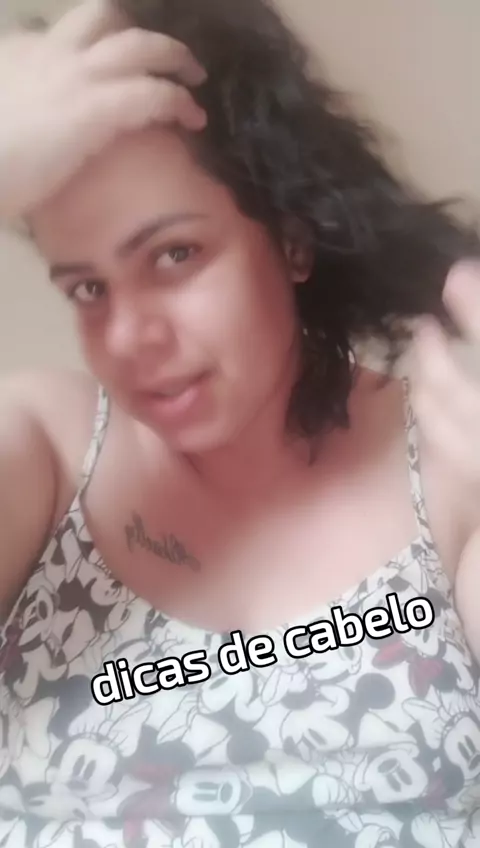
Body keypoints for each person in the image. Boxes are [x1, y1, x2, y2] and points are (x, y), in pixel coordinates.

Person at [0, 0, 479, 845]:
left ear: (291, 241)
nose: (128, 337)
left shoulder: (453, 464)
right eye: (88, 287)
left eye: (175, 255)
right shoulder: (45, 446)